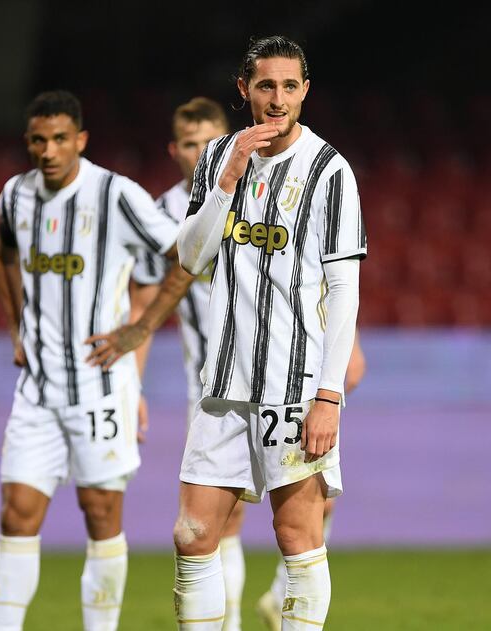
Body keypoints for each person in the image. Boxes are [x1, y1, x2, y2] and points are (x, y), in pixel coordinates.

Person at [171, 35, 366, 631]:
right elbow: (191, 258)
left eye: (289, 86)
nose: (277, 98)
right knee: (193, 533)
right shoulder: (218, 158)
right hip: (223, 380)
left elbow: (344, 292)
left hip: (295, 385)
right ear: (243, 90)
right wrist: (225, 182)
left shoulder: (330, 172)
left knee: (295, 532)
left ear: (305, 91)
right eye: (265, 85)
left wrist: (328, 396)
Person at [0, 89, 193, 631]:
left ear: (80, 140)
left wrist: (140, 328)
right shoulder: (14, 196)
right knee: (16, 515)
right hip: (37, 387)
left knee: (100, 515)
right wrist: (16, 326)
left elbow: (188, 255)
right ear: (28, 142)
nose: (48, 150)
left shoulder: (117, 195)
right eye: (38, 140)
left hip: (100, 387)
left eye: (60, 139)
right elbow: (5, 256)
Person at [129, 96, 250, 631]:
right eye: (190, 145)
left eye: (210, 143)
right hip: (209, 386)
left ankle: (247, 615)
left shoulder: (264, 192)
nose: (201, 153)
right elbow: (143, 306)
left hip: (276, 373)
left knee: (296, 514)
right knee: (215, 521)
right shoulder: (158, 216)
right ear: (174, 150)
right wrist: (130, 389)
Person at [256, 331, 366, 630]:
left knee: (318, 505)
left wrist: (351, 343)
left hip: (301, 371)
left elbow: (337, 284)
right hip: (237, 375)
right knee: (212, 520)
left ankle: (279, 597)